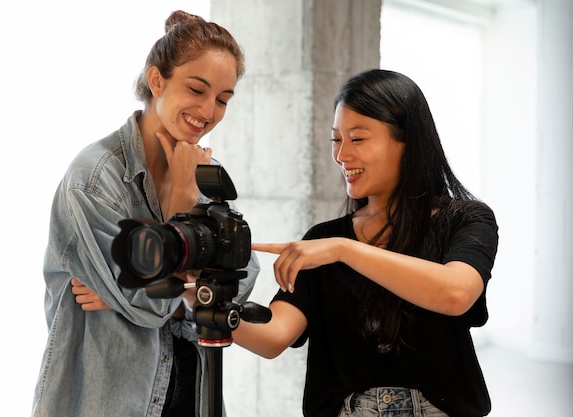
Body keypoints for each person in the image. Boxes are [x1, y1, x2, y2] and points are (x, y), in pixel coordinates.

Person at [32, 10, 259, 417]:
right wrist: (184, 213)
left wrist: (159, 292)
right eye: (197, 89)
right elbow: (148, 304)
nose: (209, 111)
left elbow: (240, 282)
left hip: (193, 398)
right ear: (157, 80)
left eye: (223, 99)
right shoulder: (94, 178)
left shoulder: (204, 170)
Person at [233, 69, 499, 417]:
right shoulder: (322, 241)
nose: (342, 155)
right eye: (336, 140)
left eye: (357, 139)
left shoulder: (466, 219)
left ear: (409, 142)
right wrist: (207, 303)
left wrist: (345, 250)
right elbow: (275, 336)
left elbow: (456, 293)